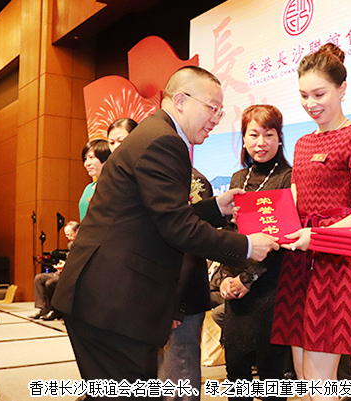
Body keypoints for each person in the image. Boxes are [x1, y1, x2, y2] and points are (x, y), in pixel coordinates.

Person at [51, 66, 279, 396]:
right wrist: (246, 246)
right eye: (212, 107)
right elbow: (177, 228)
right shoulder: (164, 141)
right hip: (110, 302)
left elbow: (157, 217)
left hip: (107, 299)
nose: (216, 119)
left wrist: (217, 207)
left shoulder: (157, 134)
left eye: (220, 111)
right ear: (181, 100)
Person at [270, 43, 351, 401]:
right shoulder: (302, 143)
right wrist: (269, 221)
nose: (310, 103)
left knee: (321, 382)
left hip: (332, 263)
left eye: (319, 94)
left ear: (341, 89)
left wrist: (317, 236)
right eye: (304, 95)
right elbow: (294, 201)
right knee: (302, 379)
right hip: (298, 262)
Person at [219, 104, 292, 401]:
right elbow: (232, 234)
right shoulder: (238, 179)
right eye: (253, 134)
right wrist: (226, 276)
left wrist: (247, 279)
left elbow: (282, 240)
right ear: (244, 138)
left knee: (272, 378)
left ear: (279, 138)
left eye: (269, 134)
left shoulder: (289, 178)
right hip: (237, 292)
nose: (261, 143)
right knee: (236, 375)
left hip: (272, 289)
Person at [157, 167, 214, 401]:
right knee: (161, 374)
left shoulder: (195, 182)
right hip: (155, 292)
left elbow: (193, 243)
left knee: (180, 369)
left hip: (183, 292)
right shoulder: (154, 174)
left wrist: (177, 304)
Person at [30, 221, 79, 320]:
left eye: (69, 235)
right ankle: (44, 308)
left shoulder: (82, 245)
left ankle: (56, 310)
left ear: (77, 231)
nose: (67, 237)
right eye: (66, 235)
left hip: (70, 274)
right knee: (39, 278)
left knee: (50, 283)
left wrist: (65, 266)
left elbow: (78, 262)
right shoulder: (72, 244)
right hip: (62, 271)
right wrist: (62, 264)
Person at [78, 139, 111, 221]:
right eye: (85, 159)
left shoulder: (113, 187)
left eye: (91, 157)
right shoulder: (88, 188)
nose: (87, 163)